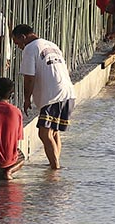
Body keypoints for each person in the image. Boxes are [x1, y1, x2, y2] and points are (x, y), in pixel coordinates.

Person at [11, 24, 75, 170]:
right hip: (68, 93)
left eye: (18, 43)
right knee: (54, 131)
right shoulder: (51, 45)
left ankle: (55, 169)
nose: (19, 47)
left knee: (44, 134)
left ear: (23, 37)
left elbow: (29, 77)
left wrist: (27, 99)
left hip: (52, 95)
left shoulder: (30, 48)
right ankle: (54, 165)